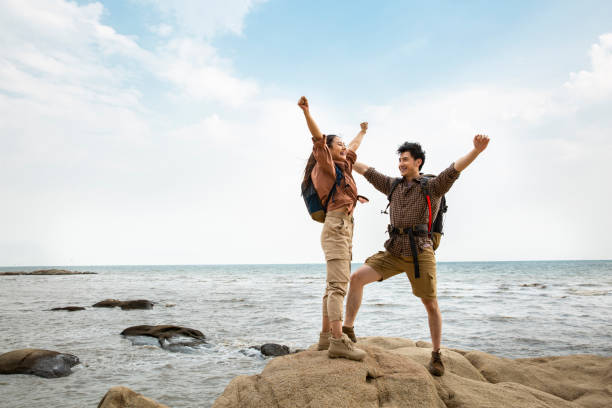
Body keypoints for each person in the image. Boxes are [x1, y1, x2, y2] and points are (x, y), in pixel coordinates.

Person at [344, 135, 490, 375]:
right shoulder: (393, 185)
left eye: (406, 160)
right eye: (399, 160)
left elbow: (455, 169)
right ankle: (348, 330)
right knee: (357, 278)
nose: (401, 163)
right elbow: (367, 171)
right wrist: (347, 158)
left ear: (418, 162)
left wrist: (476, 151)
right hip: (393, 249)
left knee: (430, 304)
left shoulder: (432, 187)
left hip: (420, 251)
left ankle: (436, 355)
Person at [298, 96, 368, 361]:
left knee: (332, 286)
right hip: (337, 226)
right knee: (339, 287)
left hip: (344, 226)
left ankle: (325, 338)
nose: (342, 147)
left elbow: (352, 146)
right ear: (328, 148)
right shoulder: (326, 163)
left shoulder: (345, 166)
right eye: (337, 144)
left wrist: (361, 131)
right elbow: (318, 137)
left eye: (341, 144)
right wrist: (307, 112)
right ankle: (338, 341)